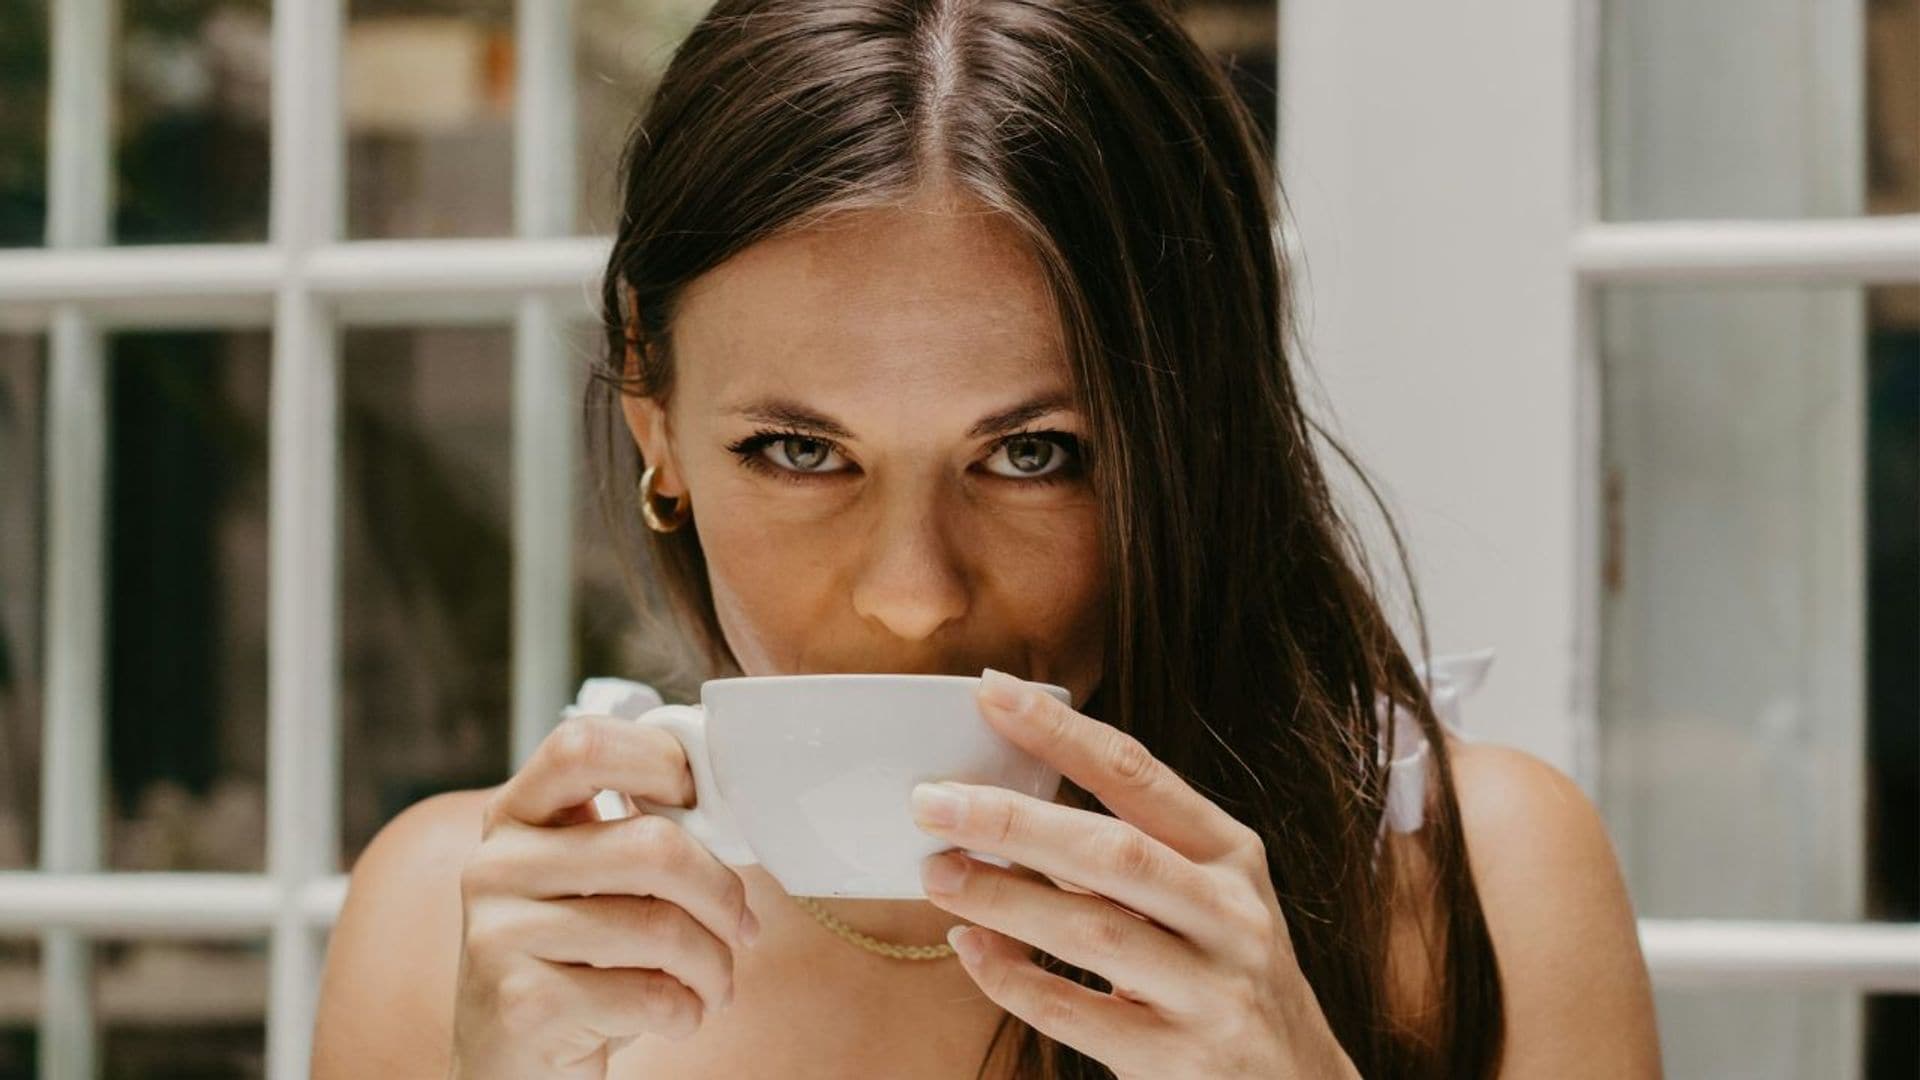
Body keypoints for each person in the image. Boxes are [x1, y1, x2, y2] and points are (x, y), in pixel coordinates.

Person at [310, 1, 1661, 1077]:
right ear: (654, 423)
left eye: (1032, 456)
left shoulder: (1471, 887)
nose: (913, 597)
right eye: (799, 451)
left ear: (1189, 440)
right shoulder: (459, 929)